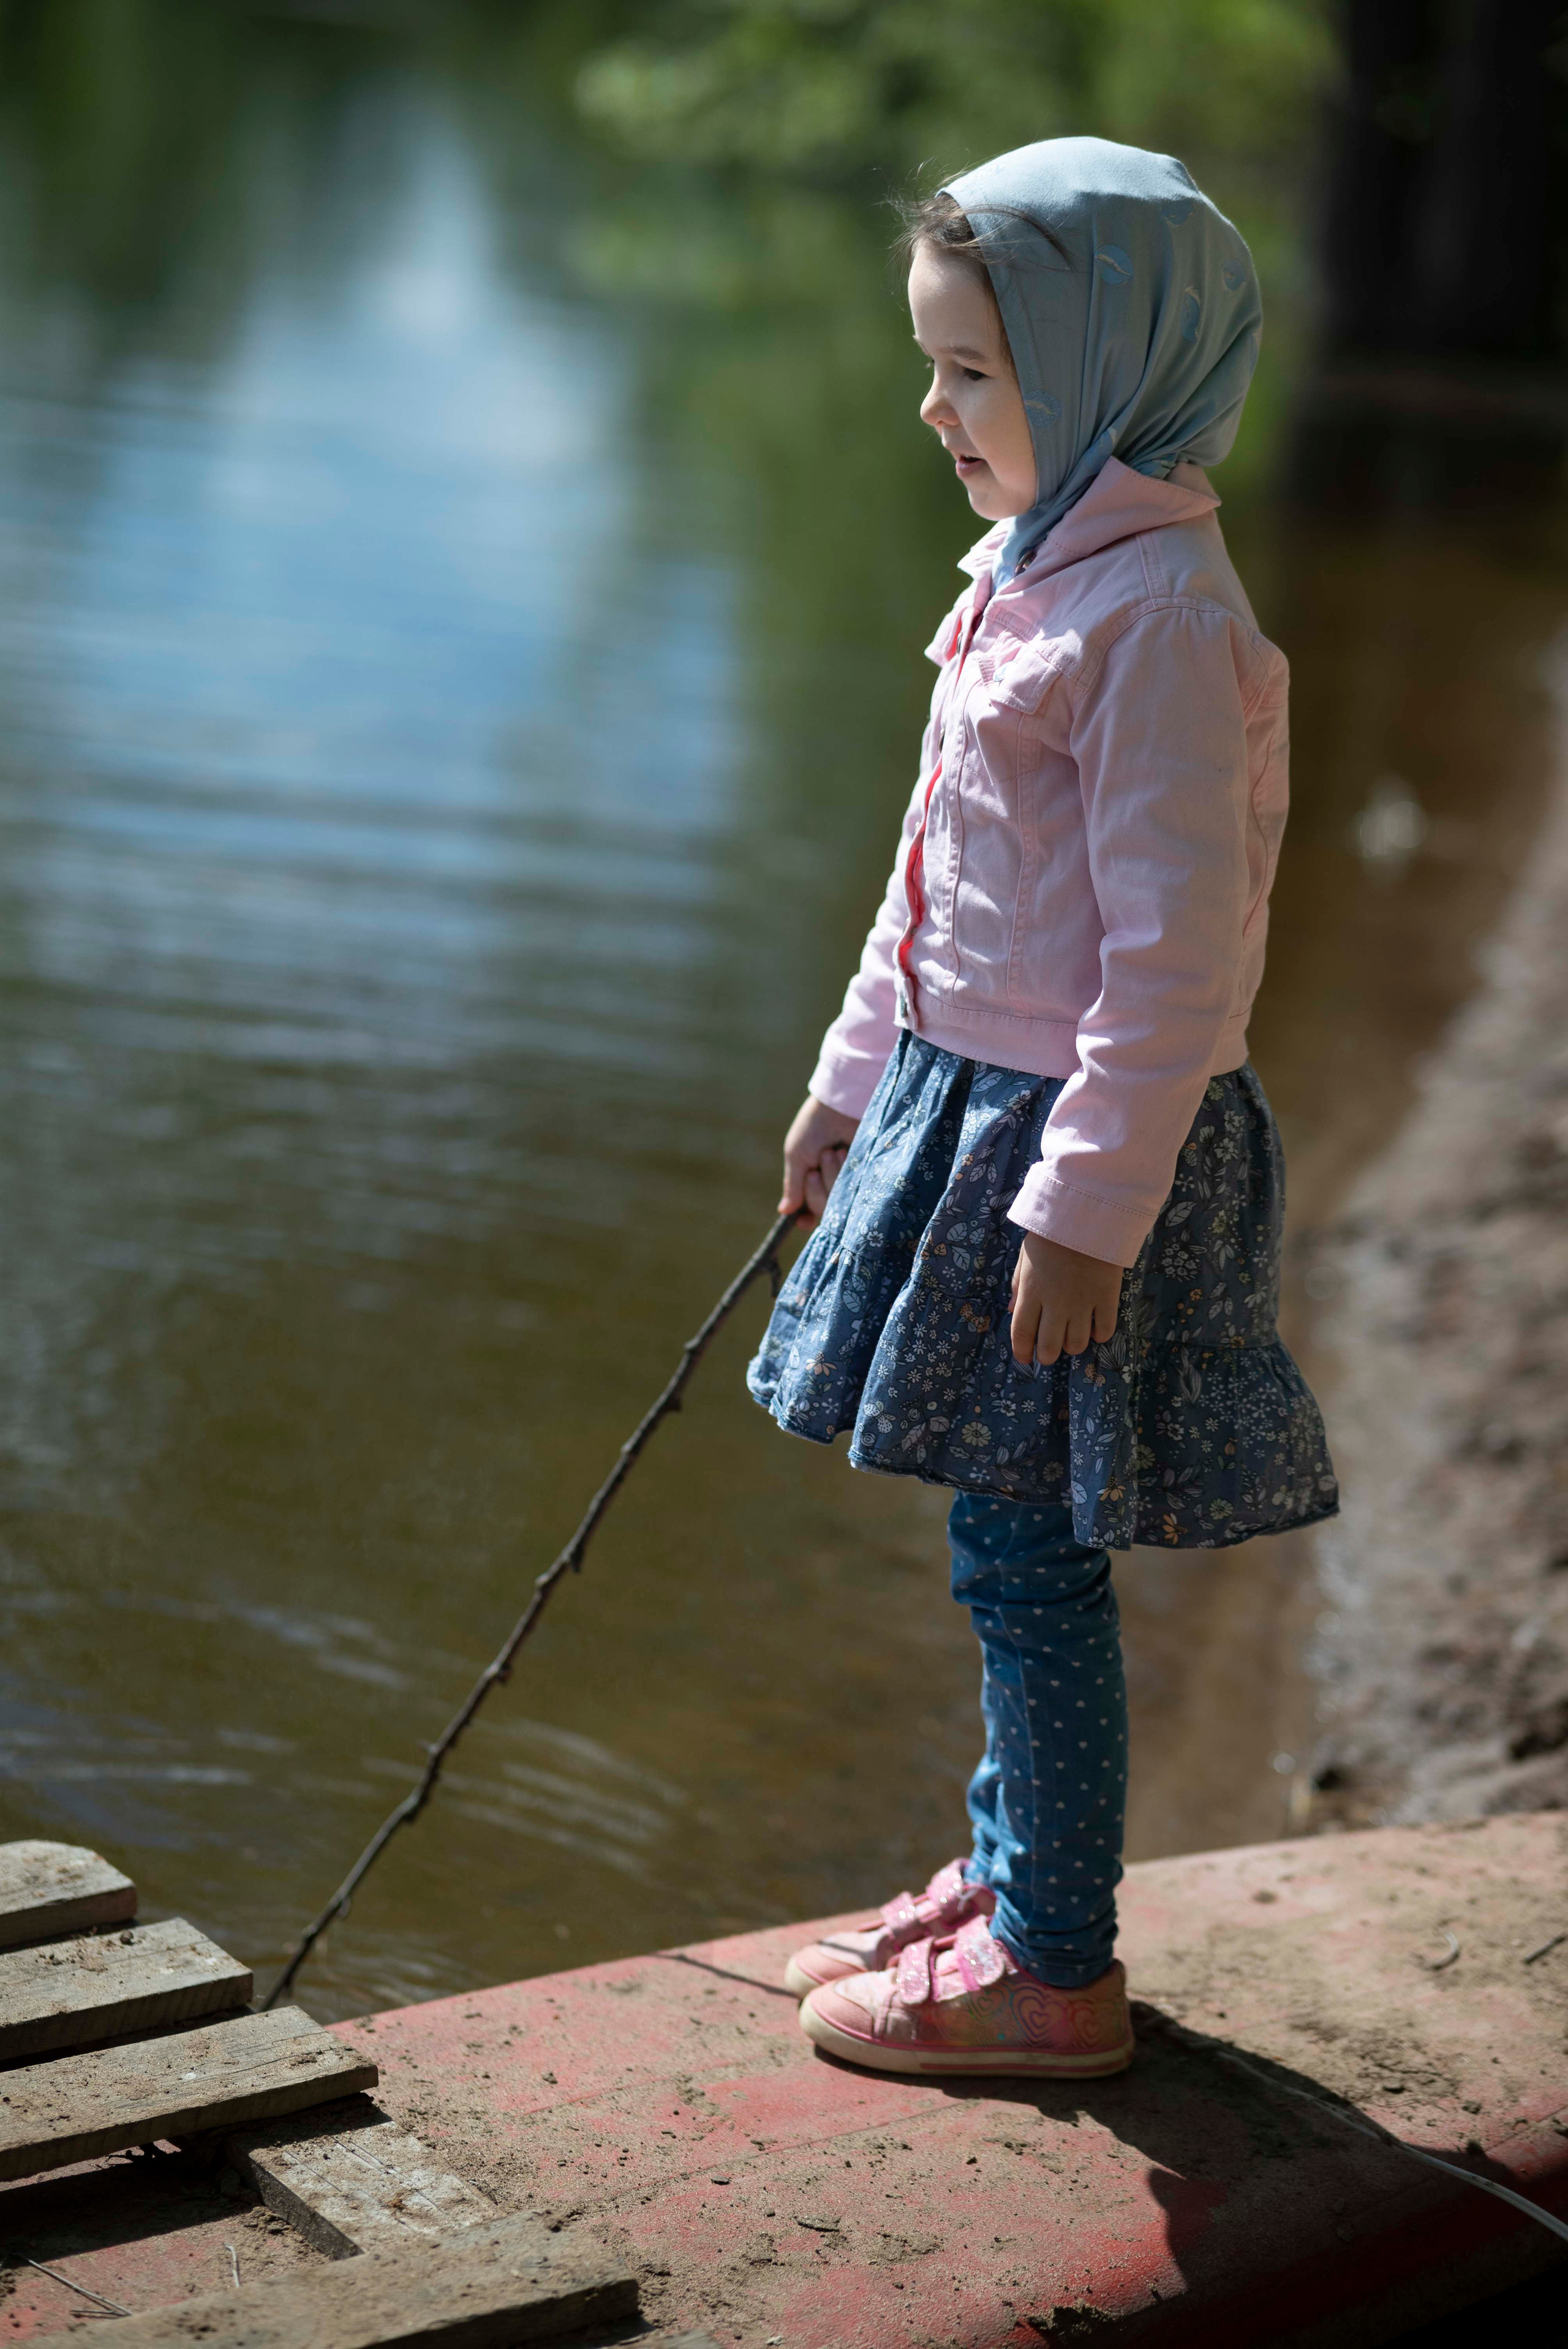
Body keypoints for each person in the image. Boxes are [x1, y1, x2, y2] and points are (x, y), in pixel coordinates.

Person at [748, 137, 1338, 2079]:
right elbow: (935, 881)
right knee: (1000, 1548)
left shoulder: (1156, 618)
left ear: (1106, 372)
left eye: (975, 373)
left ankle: (1058, 1967)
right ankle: (1017, 1878)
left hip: (1067, 1153)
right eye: (934, 366)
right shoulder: (1040, 567)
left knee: (1027, 1554)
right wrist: (847, 1092)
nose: (934, 409)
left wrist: (1083, 1210)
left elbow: (1174, 964)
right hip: (965, 1108)